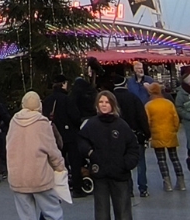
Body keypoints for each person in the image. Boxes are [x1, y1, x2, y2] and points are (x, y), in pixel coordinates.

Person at [6, 91, 68, 220]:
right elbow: (52, 150)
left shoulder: (14, 121)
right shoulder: (42, 122)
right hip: (39, 177)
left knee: (26, 216)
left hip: (18, 177)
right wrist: (60, 167)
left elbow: (8, 146)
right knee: (52, 213)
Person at [78, 90, 139, 220]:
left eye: (107, 102)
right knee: (102, 213)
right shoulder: (91, 124)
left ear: (113, 104)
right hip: (100, 175)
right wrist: (90, 153)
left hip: (120, 175)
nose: (104, 105)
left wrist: (126, 164)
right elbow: (81, 141)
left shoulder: (122, 125)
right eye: (101, 102)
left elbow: (133, 147)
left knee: (123, 213)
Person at [43, 74, 85, 195]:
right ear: (63, 84)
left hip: (54, 136)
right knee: (75, 162)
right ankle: (77, 188)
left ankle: (59, 187)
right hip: (70, 135)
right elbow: (75, 117)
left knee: (57, 163)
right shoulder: (67, 99)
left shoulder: (48, 100)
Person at [113, 74, 151, 197]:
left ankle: (128, 190)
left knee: (122, 162)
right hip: (135, 135)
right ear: (125, 85)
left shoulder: (110, 99)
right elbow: (142, 117)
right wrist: (147, 133)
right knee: (140, 161)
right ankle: (143, 188)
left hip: (116, 136)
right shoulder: (133, 98)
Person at [144, 82, 185, 191]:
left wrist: (149, 134)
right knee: (175, 158)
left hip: (157, 135)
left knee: (161, 160)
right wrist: (174, 130)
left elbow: (147, 122)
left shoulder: (148, 105)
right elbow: (176, 119)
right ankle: (181, 182)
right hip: (170, 133)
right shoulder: (168, 103)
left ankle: (167, 184)